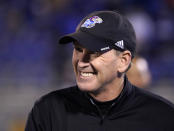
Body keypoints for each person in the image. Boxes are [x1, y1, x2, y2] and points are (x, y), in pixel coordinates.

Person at [25, 10, 174, 131]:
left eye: (95, 52)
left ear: (123, 61)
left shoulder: (163, 116)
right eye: (78, 49)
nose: (81, 62)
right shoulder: (48, 110)